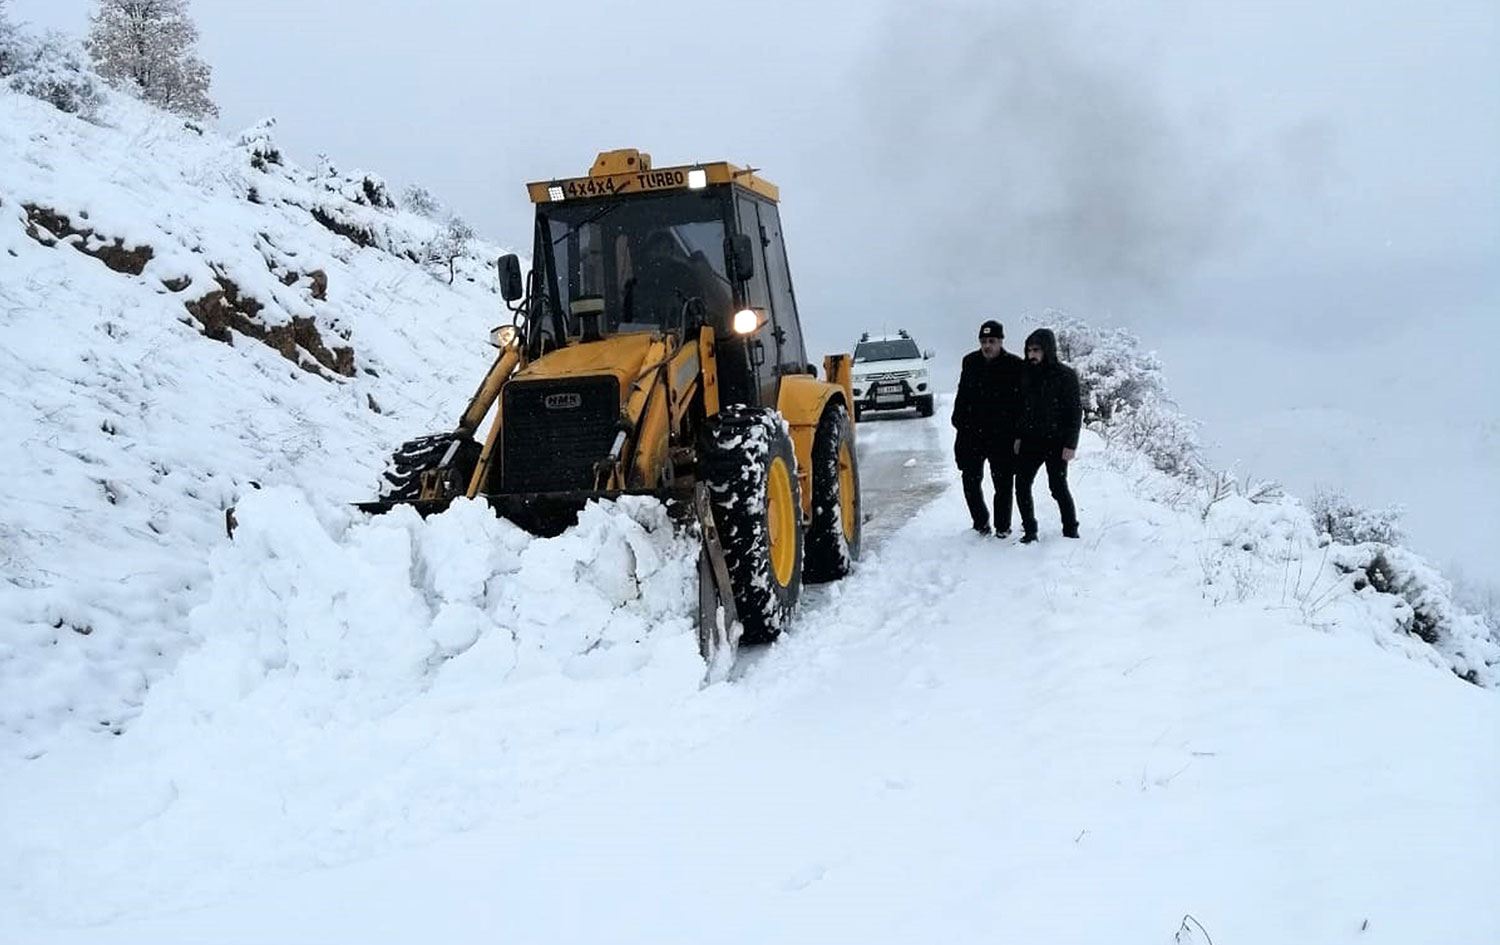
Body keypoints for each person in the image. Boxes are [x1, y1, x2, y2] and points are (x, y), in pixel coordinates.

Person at [951, 319, 1024, 536]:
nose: (987, 346)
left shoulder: (1014, 365)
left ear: (1001, 341)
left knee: (1002, 484)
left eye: (992, 341)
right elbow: (962, 394)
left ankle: (1002, 526)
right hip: (972, 435)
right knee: (970, 482)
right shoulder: (970, 362)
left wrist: (1018, 433)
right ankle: (980, 521)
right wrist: (958, 422)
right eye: (983, 341)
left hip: (1002, 436)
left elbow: (1021, 403)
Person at [1014, 328, 1082, 543]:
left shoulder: (1065, 375)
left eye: (1036, 350)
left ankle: (1070, 530)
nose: (1032, 355)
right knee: (1022, 485)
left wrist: (1071, 444)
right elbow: (1019, 408)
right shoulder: (1024, 373)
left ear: (1048, 350)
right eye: (1029, 350)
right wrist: (1018, 436)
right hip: (1030, 441)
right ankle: (1030, 531)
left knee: (1058, 487)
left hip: (1057, 442)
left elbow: (1074, 411)